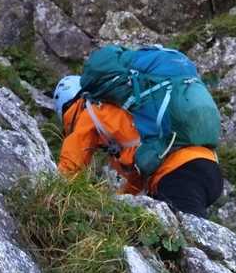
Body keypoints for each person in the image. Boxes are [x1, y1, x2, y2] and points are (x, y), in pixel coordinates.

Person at [52, 74, 223, 215]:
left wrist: (55, 193)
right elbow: (136, 174)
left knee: (184, 240)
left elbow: (73, 161)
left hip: (178, 173)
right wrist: (120, 203)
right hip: (207, 167)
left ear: (68, 107)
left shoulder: (90, 110)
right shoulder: (121, 112)